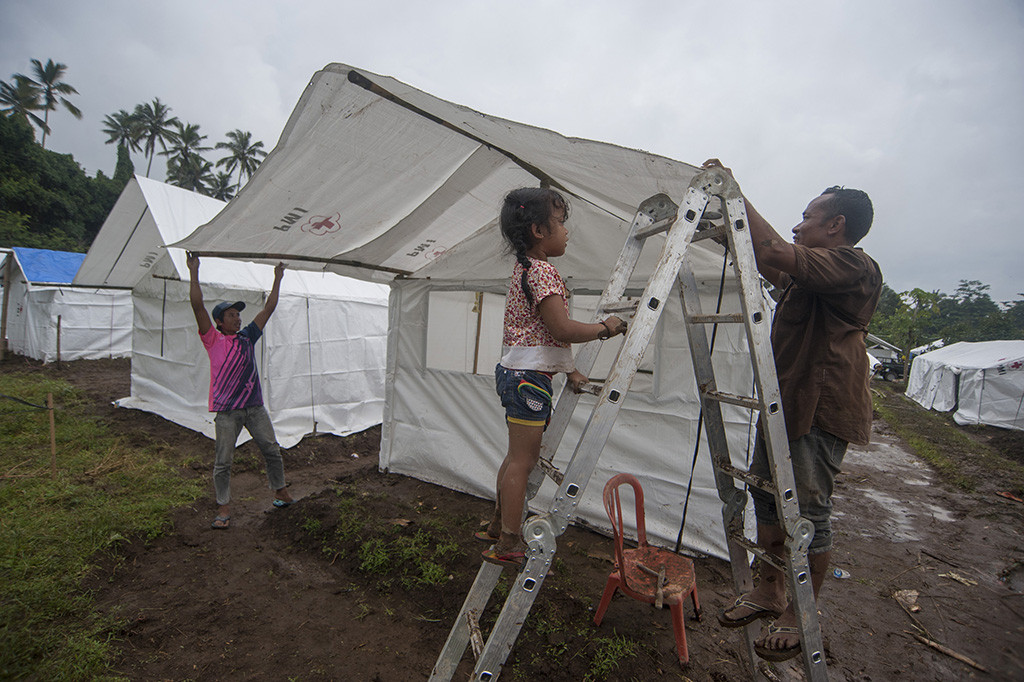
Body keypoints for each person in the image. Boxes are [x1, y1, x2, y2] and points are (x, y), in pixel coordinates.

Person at [702, 160, 882, 662]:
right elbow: (770, 262)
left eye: (808, 216)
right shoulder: (811, 278)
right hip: (784, 403)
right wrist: (727, 234)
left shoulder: (855, 266)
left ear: (835, 225)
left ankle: (801, 614)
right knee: (766, 496)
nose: (799, 224)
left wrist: (732, 195)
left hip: (820, 408)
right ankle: (769, 590)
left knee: (807, 513)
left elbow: (777, 250)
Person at [479, 187, 627, 568]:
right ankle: (511, 539)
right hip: (528, 380)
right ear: (538, 230)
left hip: (517, 373)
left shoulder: (526, 269)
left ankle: (498, 524)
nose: (566, 232)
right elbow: (560, 330)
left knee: (514, 457)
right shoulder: (543, 273)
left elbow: (542, 336)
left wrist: (571, 371)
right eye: (561, 223)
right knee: (522, 464)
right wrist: (604, 328)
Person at [187, 253, 294, 530]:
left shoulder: (248, 337)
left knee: (271, 448)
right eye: (232, 315)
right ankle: (223, 507)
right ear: (220, 322)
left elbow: (268, 309)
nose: (238, 318)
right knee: (223, 461)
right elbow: (197, 304)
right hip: (227, 411)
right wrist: (194, 272)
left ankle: (280, 492)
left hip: (254, 407)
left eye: (238, 314)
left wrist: (277, 279)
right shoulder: (212, 339)